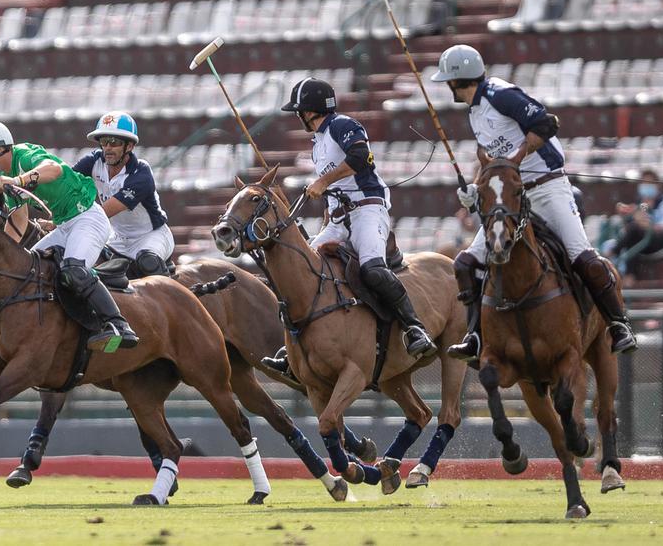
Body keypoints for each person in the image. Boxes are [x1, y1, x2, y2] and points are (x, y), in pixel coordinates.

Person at [430, 44, 638, 359]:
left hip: (547, 187)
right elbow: (489, 158)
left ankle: (618, 323)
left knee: (582, 256)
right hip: (512, 195)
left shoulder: (501, 95)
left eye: (448, 82)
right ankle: (476, 335)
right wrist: (477, 188)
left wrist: (515, 159)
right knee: (466, 264)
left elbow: (546, 124)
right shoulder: (475, 112)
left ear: (457, 82)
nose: (447, 88)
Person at [262, 78, 437, 376]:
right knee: (298, 267)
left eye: (299, 111)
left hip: (368, 208)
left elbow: (360, 158)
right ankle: (292, 349)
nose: (297, 116)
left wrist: (322, 181)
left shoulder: (343, 125)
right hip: (339, 219)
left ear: (310, 110)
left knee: (371, 268)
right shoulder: (317, 143)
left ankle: (414, 328)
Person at [0, 120, 139, 353]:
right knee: (26, 270)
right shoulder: (7, 176)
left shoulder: (23, 156)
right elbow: (18, 220)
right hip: (64, 227)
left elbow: (54, 169)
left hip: (88, 219)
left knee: (73, 270)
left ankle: (117, 324)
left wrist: (18, 181)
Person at [73, 113, 174, 277]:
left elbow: (105, 211)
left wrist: (61, 223)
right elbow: (66, 182)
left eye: (114, 142)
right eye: (104, 142)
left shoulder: (141, 172)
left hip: (151, 236)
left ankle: (171, 298)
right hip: (118, 239)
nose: (107, 148)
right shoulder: (93, 161)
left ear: (130, 146)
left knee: (147, 262)